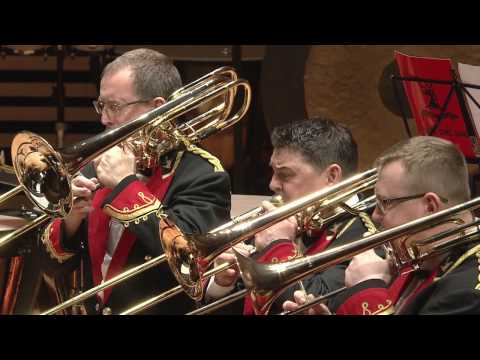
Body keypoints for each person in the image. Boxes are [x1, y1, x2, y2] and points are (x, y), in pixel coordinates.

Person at [40, 48, 232, 315]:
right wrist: (71, 220)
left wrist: (125, 185)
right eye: (101, 105)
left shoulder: (203, 173)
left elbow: (189, 258)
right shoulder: (97, 162)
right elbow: (50, 264)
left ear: (157, 108)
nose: (104, 118)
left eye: (114, 107)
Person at [284, 136, 480, 315]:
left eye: (385, 203)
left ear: (430, 206)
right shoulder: (417, 252)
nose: (375, 217)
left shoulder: (468, 292)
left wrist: (367, 288)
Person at [204, 117, 375, 314]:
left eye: (285, 175)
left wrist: (277, 246)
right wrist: (222, 284)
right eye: (273, 172)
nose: (272, 185)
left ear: (332, 176)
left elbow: (317, 303)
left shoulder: (367, 237)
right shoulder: (288, 215)